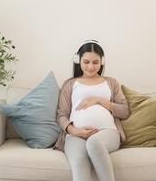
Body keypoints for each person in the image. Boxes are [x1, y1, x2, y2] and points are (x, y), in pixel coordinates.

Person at [54, 40, 129, 181]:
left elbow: (124, 110)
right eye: (86, 62)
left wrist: (99, 100)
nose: (90, 66)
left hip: (107, 132)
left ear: (102, 62)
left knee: (94, 143)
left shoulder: (111, 82)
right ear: (78, 61)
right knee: (79, 163)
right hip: (75, 135)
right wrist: (75, 131)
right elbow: (61, 115)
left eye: (95, 62)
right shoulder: (70, 84)